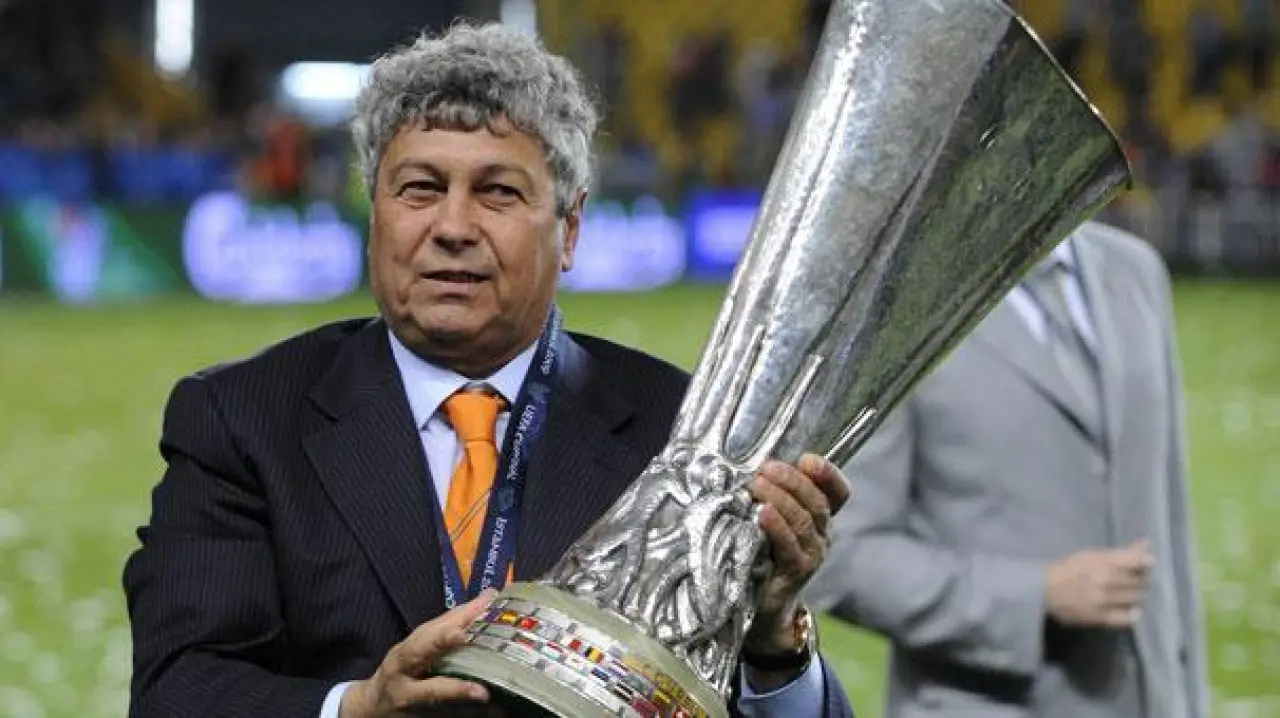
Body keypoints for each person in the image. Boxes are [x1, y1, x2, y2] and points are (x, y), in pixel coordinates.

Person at [123, 22, 856, 718]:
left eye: (498, 191)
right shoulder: (243, 420)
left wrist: (773, 647)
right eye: (419, 188)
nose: (452, 227)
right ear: (375, 214)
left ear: (570, 229)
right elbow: (178, 691)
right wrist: (359, 707)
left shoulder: (686, 437)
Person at [803, 220, 1209, 718]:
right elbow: (841, 554)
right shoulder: (902, 296)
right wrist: (1035, 596)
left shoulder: (1135, 269)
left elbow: (1170, 525)